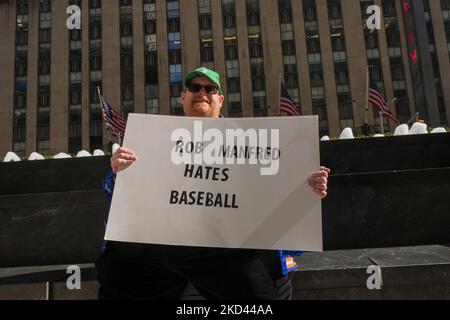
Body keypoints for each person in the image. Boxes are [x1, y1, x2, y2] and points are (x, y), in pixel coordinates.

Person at [96, 67, 331, 300]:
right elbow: (112, 192)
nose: (202, 93)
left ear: (220, 99)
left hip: (230, 250)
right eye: (195, 88)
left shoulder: (253, 141)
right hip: (165, 246)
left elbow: (282, 195)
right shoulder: (154, 138)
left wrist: (308, 188)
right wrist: (120, 172)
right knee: (121, 266)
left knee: (256, 282)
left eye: (210, 88)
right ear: (184, 97)